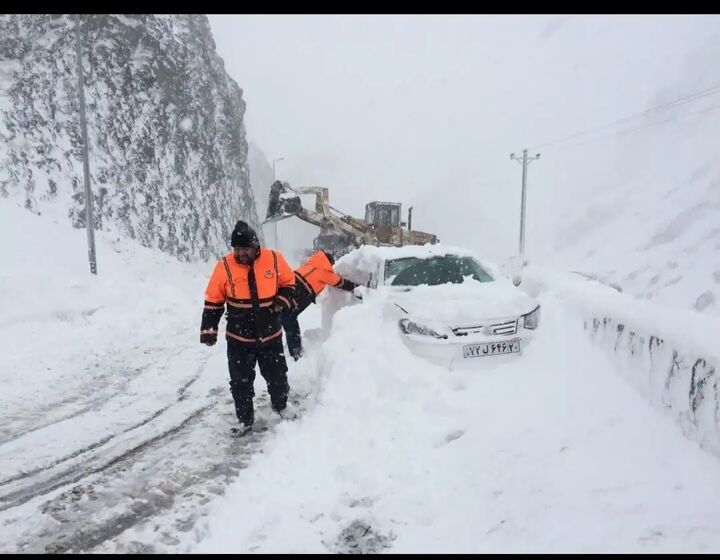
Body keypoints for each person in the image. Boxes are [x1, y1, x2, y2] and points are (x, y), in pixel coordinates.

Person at [200, 220, 296, 435]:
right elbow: (214, 300)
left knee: (277, 375)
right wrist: (209, 329)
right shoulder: (224, 266)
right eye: (237, 249)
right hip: (239, 339)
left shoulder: (274, 259)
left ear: (256, 246)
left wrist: (282, 299)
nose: (241, 253)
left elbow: (289, 283)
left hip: (271, 334)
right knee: (240, 381)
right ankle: (245, 419)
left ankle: (281, 406)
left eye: (245, 249)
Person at [281, 249, 359, 360]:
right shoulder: (324, 271)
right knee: (289, 319)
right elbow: (340, 282)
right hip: (301, 293)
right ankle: (295, 352)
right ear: (328, 262)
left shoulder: (310, 264)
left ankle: (289, 348)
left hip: (288, 286)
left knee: (283, 317)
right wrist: (356, 287)